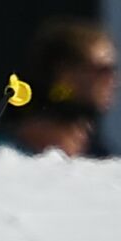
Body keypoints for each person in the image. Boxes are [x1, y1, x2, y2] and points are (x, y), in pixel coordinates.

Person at [24, 16, 117, 156]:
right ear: (65, 74)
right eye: (103, 69)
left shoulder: (97, 149)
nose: (114, 80)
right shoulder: (4, 150)